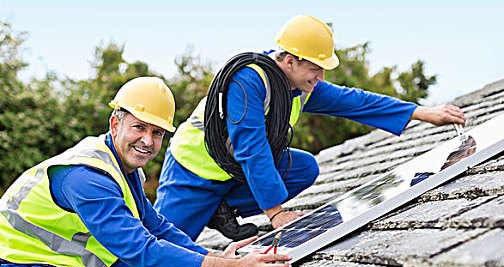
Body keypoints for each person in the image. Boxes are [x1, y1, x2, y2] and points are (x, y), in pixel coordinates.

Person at [0, 77, 291, 267]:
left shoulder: (125, 170)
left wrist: (215, 259)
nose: (148, 141)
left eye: (157, 132)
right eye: (139, 127)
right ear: (116, 124)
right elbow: (141, 249)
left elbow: (158, 228)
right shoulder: (87, 178)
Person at [154, 14, 466, 242]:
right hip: (192, 174)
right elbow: (251, 147)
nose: (320, 77)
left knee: (303, 168)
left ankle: (222, 206)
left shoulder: (302, 86)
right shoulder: (249, 80)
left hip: (231, 174)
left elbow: (355, 101)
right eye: (315, 69)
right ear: (289, 60)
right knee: (159, 254)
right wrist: (276, 213)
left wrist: (423, 112)